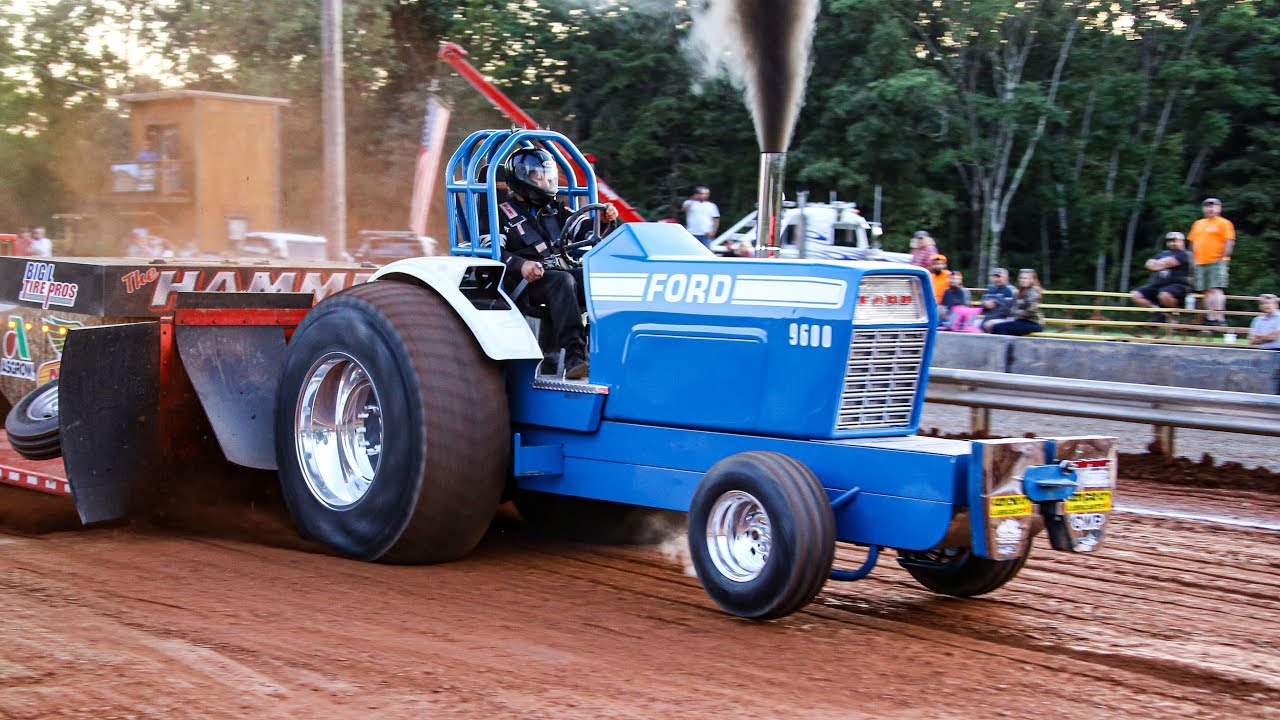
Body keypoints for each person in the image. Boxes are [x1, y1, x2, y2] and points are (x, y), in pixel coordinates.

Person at [488, 147, 618, 381]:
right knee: (563, 280)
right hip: (522, 283)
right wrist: (521, 265)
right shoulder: (500, 214)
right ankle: (574, 358)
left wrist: (603, 220)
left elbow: (582, 230)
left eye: (548, 175)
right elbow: (491, 252)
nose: (545, 181)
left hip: (556, 275)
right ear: (522, 176)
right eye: (538, 175)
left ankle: (610, 350)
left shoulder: (555, 209)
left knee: (595, 278)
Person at [1187, 198, 1236, 326]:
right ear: (1203, 208)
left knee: (1216, 289)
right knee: (1206, 290)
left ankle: (1220, 317)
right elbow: (1192, 243)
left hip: (1217, 261)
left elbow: (1229, 241)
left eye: (1213, 206)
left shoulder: (1224, 223)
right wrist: (1193, 259)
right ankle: (1210, 318)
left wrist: (1223, 258)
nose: (1210, 209)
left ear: (1219, 208)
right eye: (1207, 206)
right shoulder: (1198, 224)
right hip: (1200, 262)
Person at [1130, 231, 1193, 323]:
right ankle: (1159, 313)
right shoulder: (1162, 253)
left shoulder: (1186, 254)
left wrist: (1159, 264)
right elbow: (1148, 264)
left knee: (1164, 295)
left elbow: (1170, 262)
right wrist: (1161, 264)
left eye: (1175, 241)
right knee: (1135, 295)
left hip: (1178, 285)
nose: (1172, 243)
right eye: (1170, 241)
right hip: (1158, 285)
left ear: (1182, 242)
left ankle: (1175, 314)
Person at [984, 269, 1044, 335]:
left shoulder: (1033, 292)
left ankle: (1008, 344)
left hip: (1033, 322)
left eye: (1026, 278)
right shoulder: (1018, 292)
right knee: (997, 327)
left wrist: (1020, 312)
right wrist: (1014, 314)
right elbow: (1014, 308)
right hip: (1020, 320)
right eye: (1021, 278)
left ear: (1031, 280)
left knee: (999, 328)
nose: (1023, 280)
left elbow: (1031, 310)